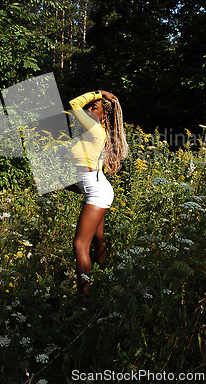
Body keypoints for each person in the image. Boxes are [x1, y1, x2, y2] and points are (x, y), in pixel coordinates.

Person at [69, 89, 128, 299]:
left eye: (94, 107)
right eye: (90, 106)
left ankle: (83, 298)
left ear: (104, 114)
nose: (88, 109)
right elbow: (88, 171)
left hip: (97, 193)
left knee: (80, 245)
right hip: (96, 190)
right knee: (97, 240)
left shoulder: (95, 129)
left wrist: (99, 91)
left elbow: (74, 103)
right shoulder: (94, 131)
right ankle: (103, 281)